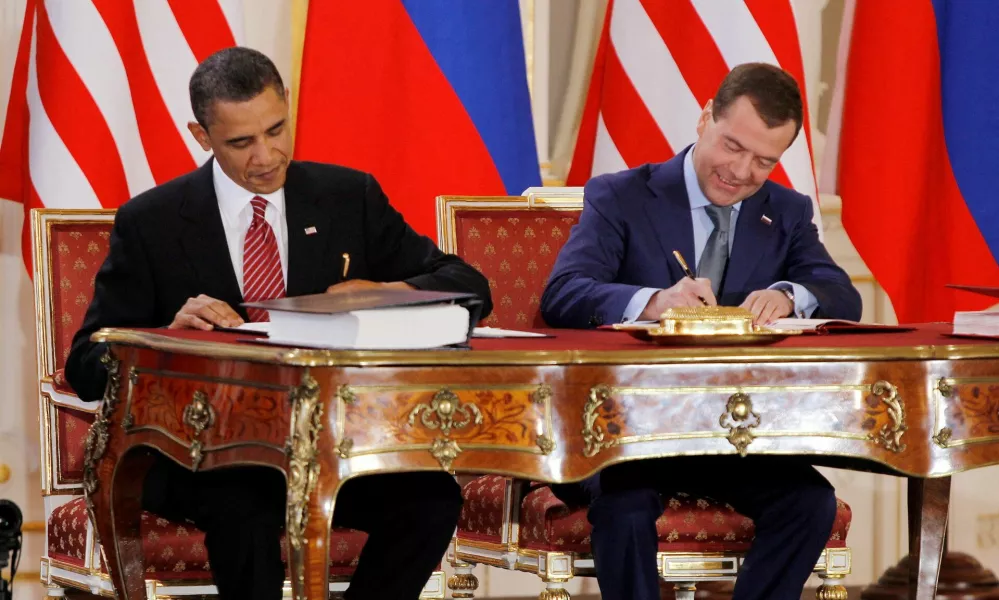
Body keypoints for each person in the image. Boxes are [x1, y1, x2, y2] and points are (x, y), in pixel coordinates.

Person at [65, 47, 492, 600]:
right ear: (202, 135)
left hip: (332, 445)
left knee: (431, 500)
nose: (266, 156)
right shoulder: (152, 222)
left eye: (276, 129)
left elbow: (470, 286)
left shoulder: (347, 197)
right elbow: (86, 364)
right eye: (241, 142)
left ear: (288, 106)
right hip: (201, 452)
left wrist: (389, 291)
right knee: (245, 509)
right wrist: (166, 334)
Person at [540, 63, 861, 600]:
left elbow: (839, 292)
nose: (741, 171)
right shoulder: (622, 196)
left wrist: (788, 294)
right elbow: (564, 294)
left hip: (730, 435)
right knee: (625, 506)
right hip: (622, 434)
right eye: (733, 146)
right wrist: (653, 303)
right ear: (704, 118)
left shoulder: (784, 210)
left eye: (764, 160)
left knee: (810, 504)